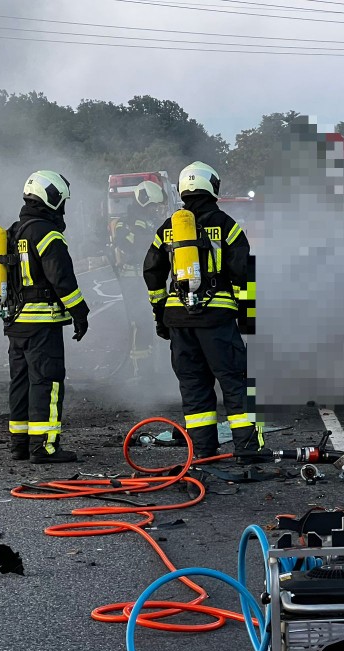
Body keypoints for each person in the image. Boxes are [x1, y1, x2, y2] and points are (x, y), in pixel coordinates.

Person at [143, 161, 261, 458]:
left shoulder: (168, 228)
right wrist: (247, 318)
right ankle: (248, 449)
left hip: (179, 321)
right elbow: (244, 274)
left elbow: (151, 272)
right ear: (212, 187)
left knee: (194, 386)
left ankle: (202, 452)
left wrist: (160, 315)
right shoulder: (227, 225)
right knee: (235, 382)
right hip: (217, 320)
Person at [3, 170, 90, 464]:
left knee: (20, 382)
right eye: (61, 201)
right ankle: (44, 446)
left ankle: (20, 444)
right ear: (51, 198)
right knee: (46, 381)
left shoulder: (14, 231)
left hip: (16, 322)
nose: (63, 208)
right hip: (42, 323)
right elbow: (62, 279)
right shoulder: (46, 233)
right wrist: (80, 313)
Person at [111, 180, 168, 375]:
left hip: (147, 278)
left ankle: (150, 367)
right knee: (139, 323)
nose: (155, 210)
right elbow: (132, 246)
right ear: (144, 202)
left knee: (151, 321)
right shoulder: (125, 223)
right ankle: (139, 371)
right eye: (153, 206)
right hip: (133, 281)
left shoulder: (149, 222)